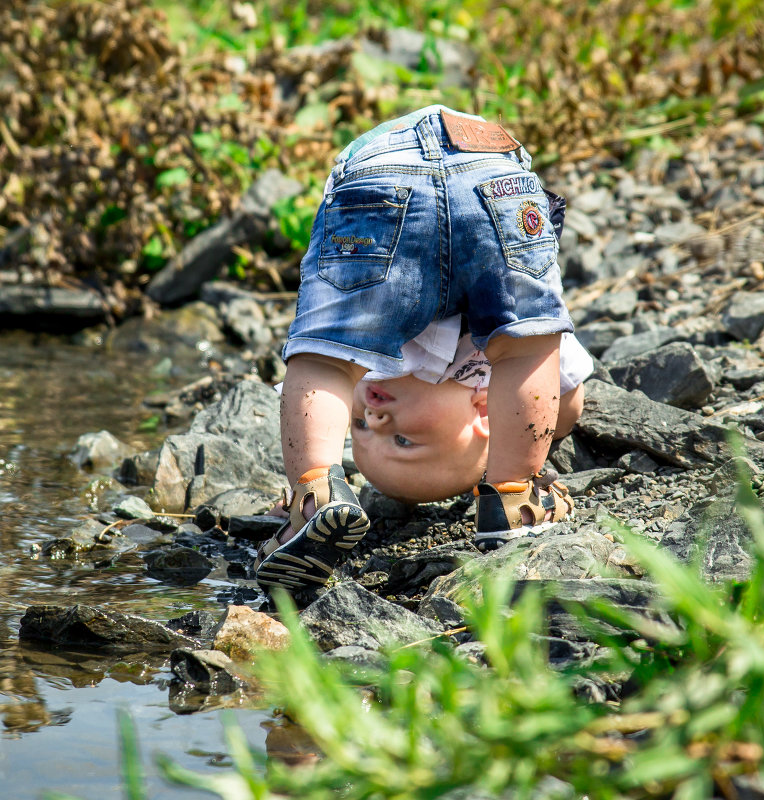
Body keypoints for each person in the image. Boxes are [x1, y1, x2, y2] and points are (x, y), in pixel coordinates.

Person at [253, 104, 591, 597]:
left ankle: (314, 495)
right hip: (482, 168)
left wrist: (527, 439)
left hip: (403, 168)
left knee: (328, 356)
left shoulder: (374, 371)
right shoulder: (469, 377)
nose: (375, 417)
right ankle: (515, 489)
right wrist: (533, 451)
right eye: (407, 441)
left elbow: (315, 384)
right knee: (327, 356)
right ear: (484, 411)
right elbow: (567, 393)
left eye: (359, 427)